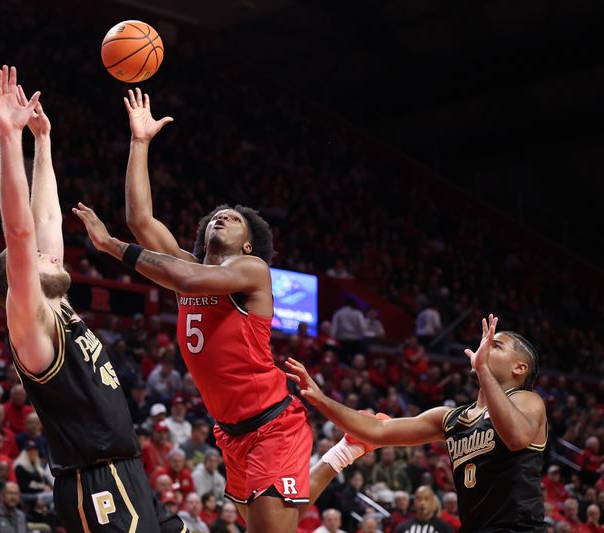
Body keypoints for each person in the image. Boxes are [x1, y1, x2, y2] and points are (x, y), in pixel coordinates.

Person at [73, 88, 312, 533]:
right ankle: (338, 457)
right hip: (230, 432)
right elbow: (140, 220)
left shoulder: (251, 269)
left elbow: (185, 279)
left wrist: (110, 248)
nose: (221, 217)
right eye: (216, 215)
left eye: (232, 218)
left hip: (273, 424)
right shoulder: (186, 265)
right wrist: (140, 143)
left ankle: (336, 457)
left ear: (246, 242)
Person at [0, 66, 183, 532]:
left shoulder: (59, 305)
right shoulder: (32, 324)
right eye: (35, 256)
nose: (47, 251)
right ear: (19, 279)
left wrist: (43, 141)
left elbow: (47, 218)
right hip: (96, 483)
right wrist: (9, 137)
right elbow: (20, 229)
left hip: (127, 471)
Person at [286, 314, 547, 532]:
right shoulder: (451, 418)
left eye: (496, 345)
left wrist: (483, 370)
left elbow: (516, 437)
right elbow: (377, 431)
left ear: (519, 368)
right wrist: (321, 400)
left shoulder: (527, 400)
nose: (485, 347)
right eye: (485, 342)